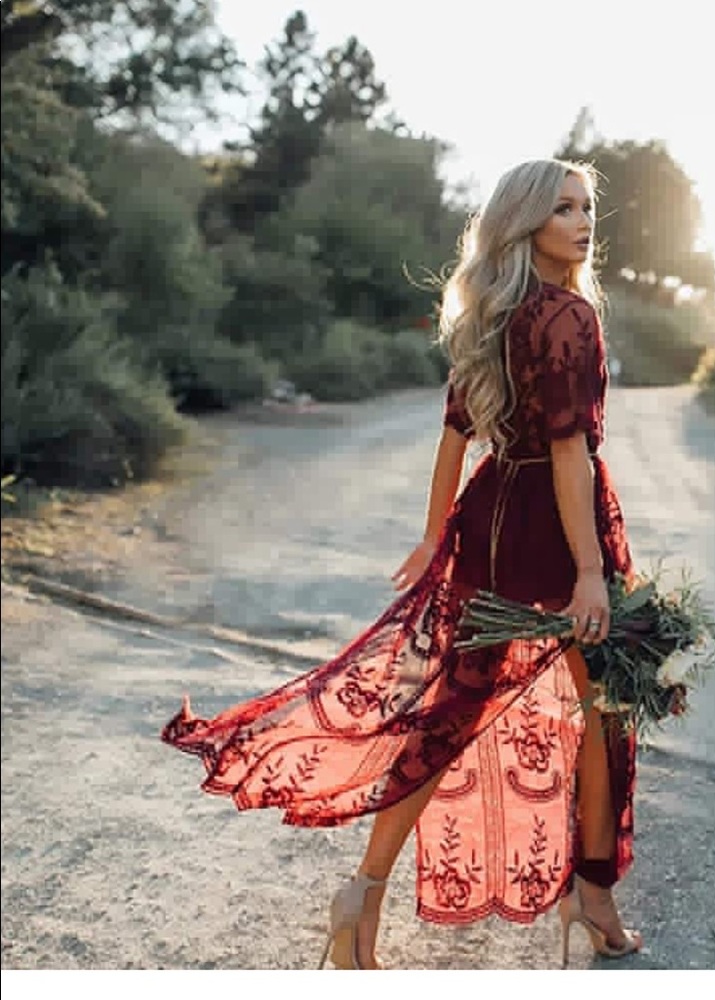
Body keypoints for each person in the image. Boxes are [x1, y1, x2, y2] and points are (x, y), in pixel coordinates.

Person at [163, 158, 643, 970]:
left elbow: (456, 436)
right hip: (555, 534)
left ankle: (364, 895)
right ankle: (591, 893)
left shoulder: (493, 312)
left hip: (490, 518)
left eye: (586, 207)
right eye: (562, 209)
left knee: (454, 712)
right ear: (526, 224)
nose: (581, 222)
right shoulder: (566, 317)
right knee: (607, 707)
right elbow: (570, 453)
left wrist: (436, 533)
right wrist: (591, 573)